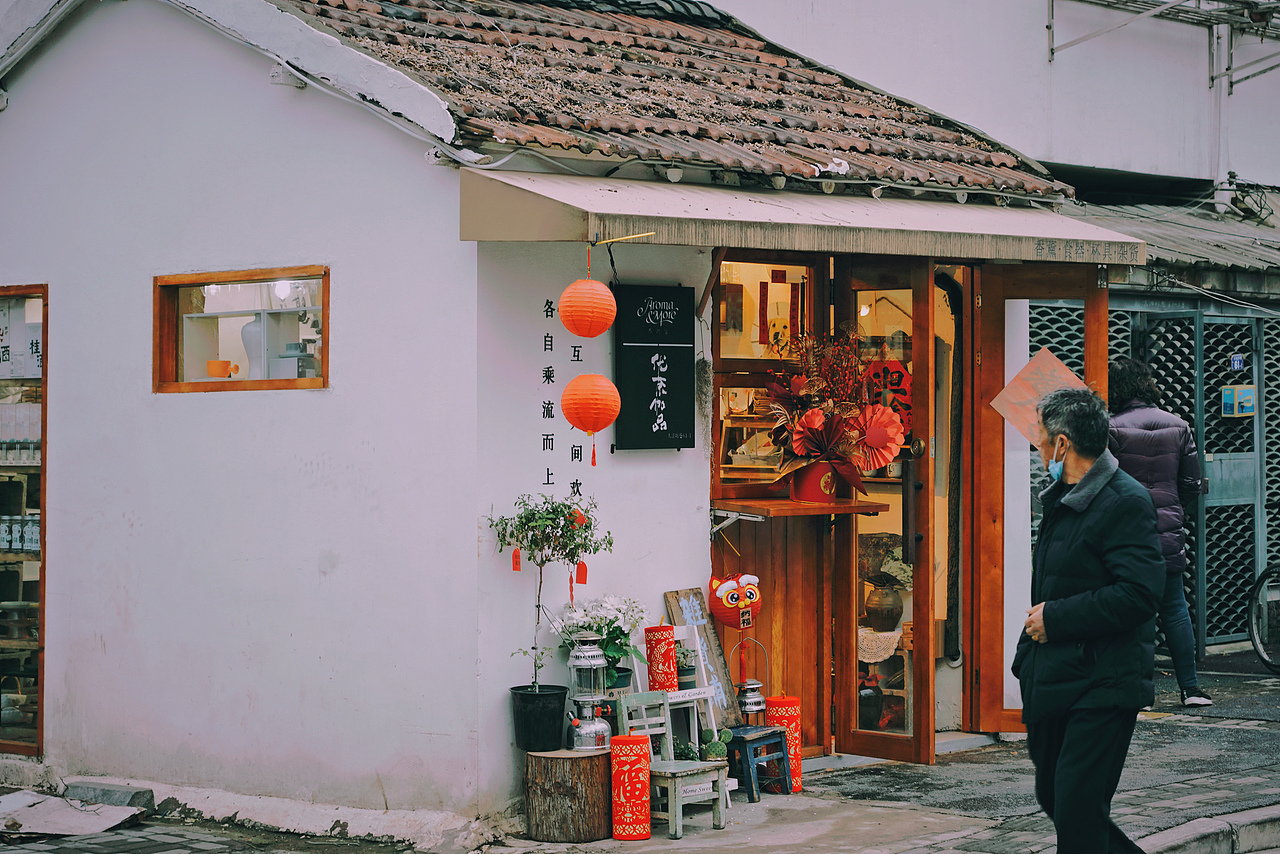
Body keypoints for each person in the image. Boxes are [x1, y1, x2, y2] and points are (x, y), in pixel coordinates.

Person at [1013, 387, 1164, 854]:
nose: (1039, 450)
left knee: (1078, 811)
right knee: (1057, 798)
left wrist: (1056, 619)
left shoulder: (1125, 500)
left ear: (1062, 444)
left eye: (1041, 440)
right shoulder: (1063, 496)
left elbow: (1139, 594)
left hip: (1105, 680)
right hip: (1058, 674)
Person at [1108, 357, 1211, 707]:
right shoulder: (1179, 426)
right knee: (1175, 607)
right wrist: (1173, 509)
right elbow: (1192, 483)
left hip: (1126, 531)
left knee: (1137, 611)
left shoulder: (1111, 429)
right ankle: (1191, 689)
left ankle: (1141, 694)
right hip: (1168, 529)